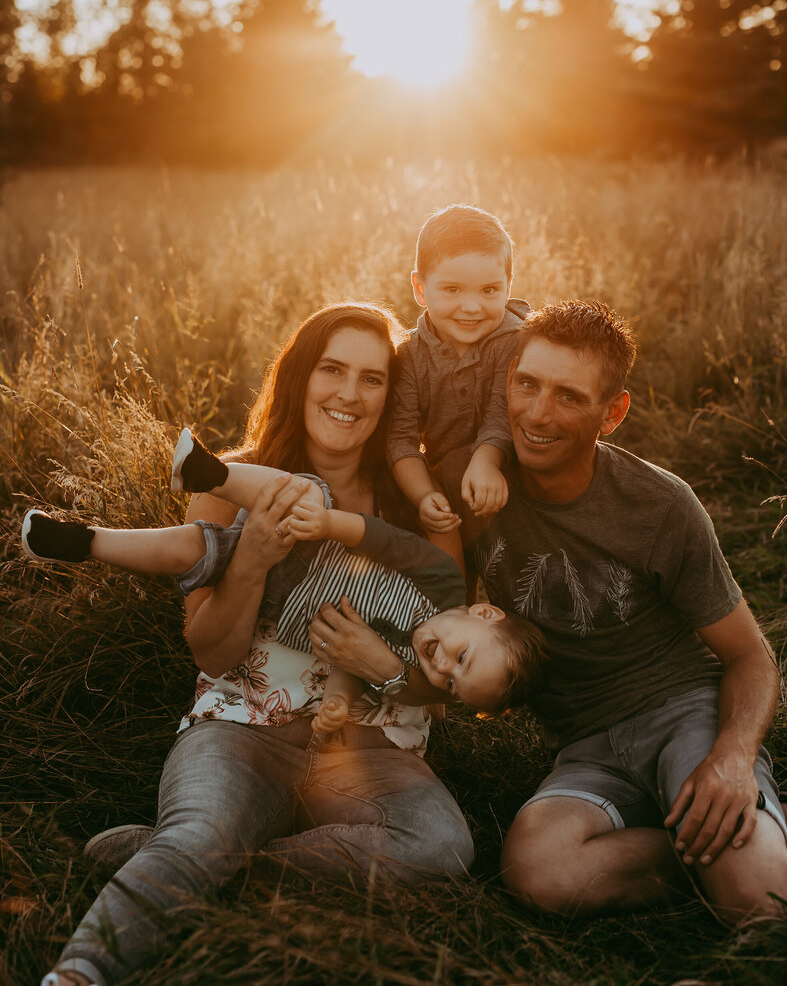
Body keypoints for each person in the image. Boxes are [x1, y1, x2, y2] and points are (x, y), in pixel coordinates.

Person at [317, 299, 787, 925]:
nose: (537, 415)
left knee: (761, 901)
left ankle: (744, 840)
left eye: (569, 396)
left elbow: (749, 656)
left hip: (684, 715)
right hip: (585, 750)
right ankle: (756, 835)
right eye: (526, 385)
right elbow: (430, 610)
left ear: (613, 412)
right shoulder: (471, 488)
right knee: (538, 873)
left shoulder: (660, 506)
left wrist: (731, 763)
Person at [38, 303, 478, 986]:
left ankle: (191, 860)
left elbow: (442, 674)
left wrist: (381, 666)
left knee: (441, 845)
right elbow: (212, 653)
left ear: (392, 397)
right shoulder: (230, 481)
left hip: (369, 751)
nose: (348, 395)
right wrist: (252, 561)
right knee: (203, 832)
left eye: (371, 378)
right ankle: (83, 969)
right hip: (243, 728)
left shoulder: (420, 507)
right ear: (301, 377)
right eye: (332, 370)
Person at [22, 430, 545, 727]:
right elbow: (388, 542)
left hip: (273, 595)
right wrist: (330, 524)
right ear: (483, 611)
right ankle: (212, 474)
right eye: (462, 656)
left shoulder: (407, 663)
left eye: (451, 683)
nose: (441, 666)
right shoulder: (445, 586)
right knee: (308, 495)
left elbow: (346, 661)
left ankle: (84, 541)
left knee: (192, 548)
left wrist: (339, 701)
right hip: (314, 541)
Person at [387, 204, 529, 535]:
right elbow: (400, 437)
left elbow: (502, 410)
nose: (471, 306)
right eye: (452, 289)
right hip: (440, 481)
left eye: (489, 290)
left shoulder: (516, 339)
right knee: (447, 558)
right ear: (420, 288)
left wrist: (487, 460)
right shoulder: (408, 354)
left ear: (508, 287)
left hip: (512, 474)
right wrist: (424, 495)